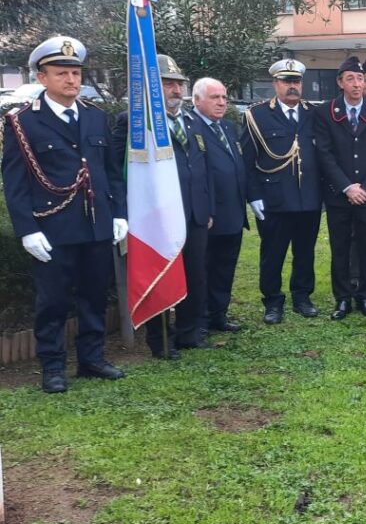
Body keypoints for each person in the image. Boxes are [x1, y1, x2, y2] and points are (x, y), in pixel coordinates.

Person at [1, 37, 128, 392]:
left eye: (75, 72)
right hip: (52, 226)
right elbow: (15, 181)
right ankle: (53, 366)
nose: (72, 80)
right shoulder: (23, 123)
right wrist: (26, 229)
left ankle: (92, 358)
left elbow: (110, 171)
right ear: (42, 77)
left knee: (94, 295)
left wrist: (119, 212)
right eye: (62, 73)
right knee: (53, 301)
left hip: (96, 223)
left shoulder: (94, 116)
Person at [113, 55, 214, 357]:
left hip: (194, 213)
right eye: (166, 84)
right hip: (157, 217)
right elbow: (120, 169)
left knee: (195, 273)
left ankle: (188, 331)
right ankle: (159, 339)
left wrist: (207, 208)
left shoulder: (193, 121)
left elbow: (202, 167)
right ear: (151, 89)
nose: (174, 90)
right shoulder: (131, 121)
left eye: (178, 84)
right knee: (161, 274)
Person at [241, 59, 323, 324]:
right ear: (275, 84)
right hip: (274, 199)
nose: (292, 87)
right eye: (286, 82)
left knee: (305, 252)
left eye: (296, 81)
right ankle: (272, 301)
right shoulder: (257, 115)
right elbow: (248, 161)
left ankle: (302, 297)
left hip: (308, 197)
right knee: (272, 253)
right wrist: (253, 196)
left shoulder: (314, 113)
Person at [313, 56, 366, 320]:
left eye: (360, 79)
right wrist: (347, 187)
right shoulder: (325, 112)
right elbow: (324, 154)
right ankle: (343, 298)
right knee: (341, 248)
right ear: (340, 83)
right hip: (339, 196)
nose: (357, 84)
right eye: (351, 79)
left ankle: (365, 297)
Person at [190, 77, 247, 335]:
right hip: (207, 213)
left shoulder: (227, 127)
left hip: (232, 211)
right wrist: (208, 209)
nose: (222, 102)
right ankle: (199, 320)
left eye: (224, 97)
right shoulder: (190, 127)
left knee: (225, 267)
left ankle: (218, 315)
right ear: (196, 99)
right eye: (215, 97)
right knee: (202, 268)